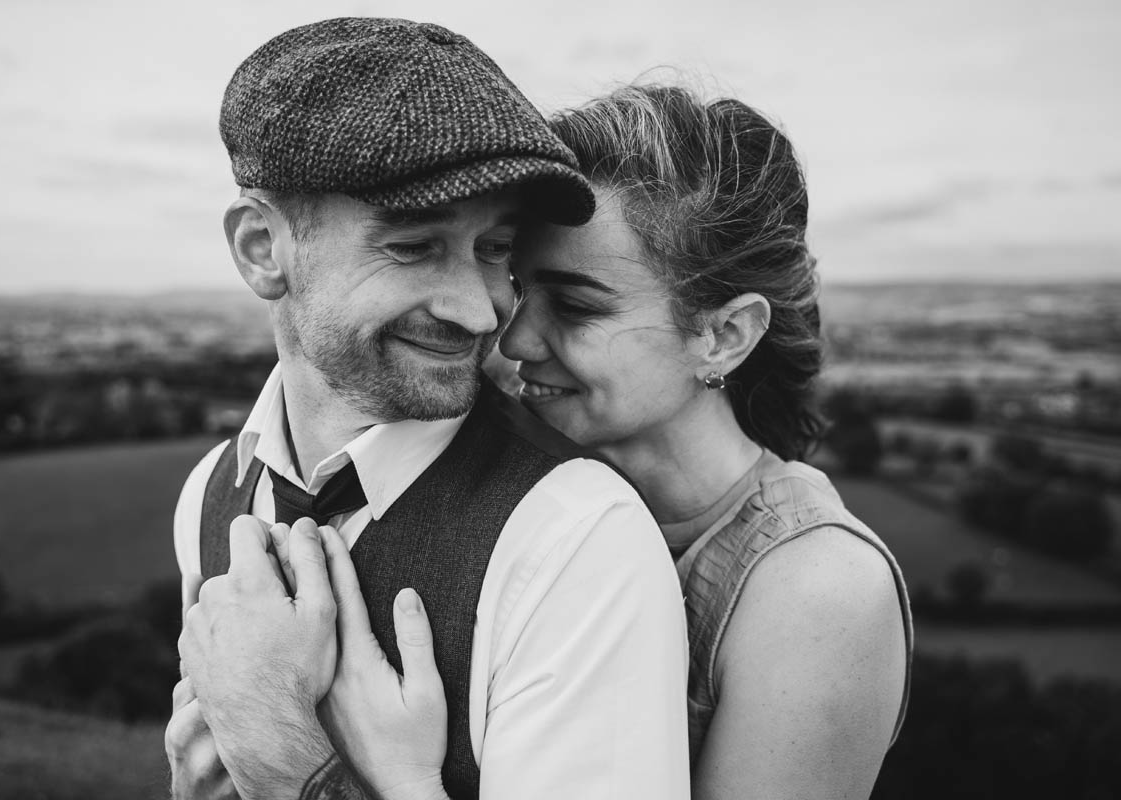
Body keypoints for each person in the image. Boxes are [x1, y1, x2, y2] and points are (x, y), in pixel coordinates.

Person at [310, 84, 914, 800]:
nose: (512, 337)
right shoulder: (508, 486)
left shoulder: (818, 594)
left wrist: (386, 779)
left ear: (723, 335)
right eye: (518, 287)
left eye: (574, 305)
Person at [167, 18, 690, 800]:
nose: (481, 313)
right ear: (260, 248)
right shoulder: (209, 493)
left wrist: (283, 754)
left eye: (495, 250)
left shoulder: (575, 542)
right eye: (414, 246)